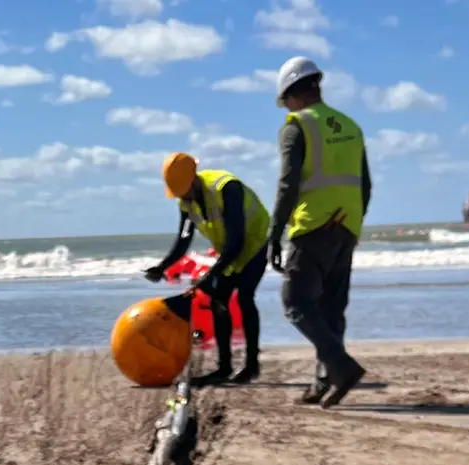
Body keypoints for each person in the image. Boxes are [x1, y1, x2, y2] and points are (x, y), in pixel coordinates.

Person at [265, 56, 372, 408]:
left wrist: (275, 232)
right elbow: (366, 185)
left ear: (292, 94)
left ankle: (341, 367)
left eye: (285, 101)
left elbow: (288, 184)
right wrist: (353, 224)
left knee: (295, 304)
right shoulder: (351, 126)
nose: (286, 108)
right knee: (330, 308)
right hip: (347, 226)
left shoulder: (297, 126)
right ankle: (322, 382)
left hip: (312, 225)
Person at [144, 152, 271, 387]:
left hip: (254, 243)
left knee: (245, 297)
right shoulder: (186, 201)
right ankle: (224, 368)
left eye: (185, 191)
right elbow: (184, 240)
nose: (184, 198)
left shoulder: (226, 188)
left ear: (193, 180)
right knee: (217, 301)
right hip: (230, 250)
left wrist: (211, 274)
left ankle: (251, 365)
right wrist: (162, 267)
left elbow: (238, 239)